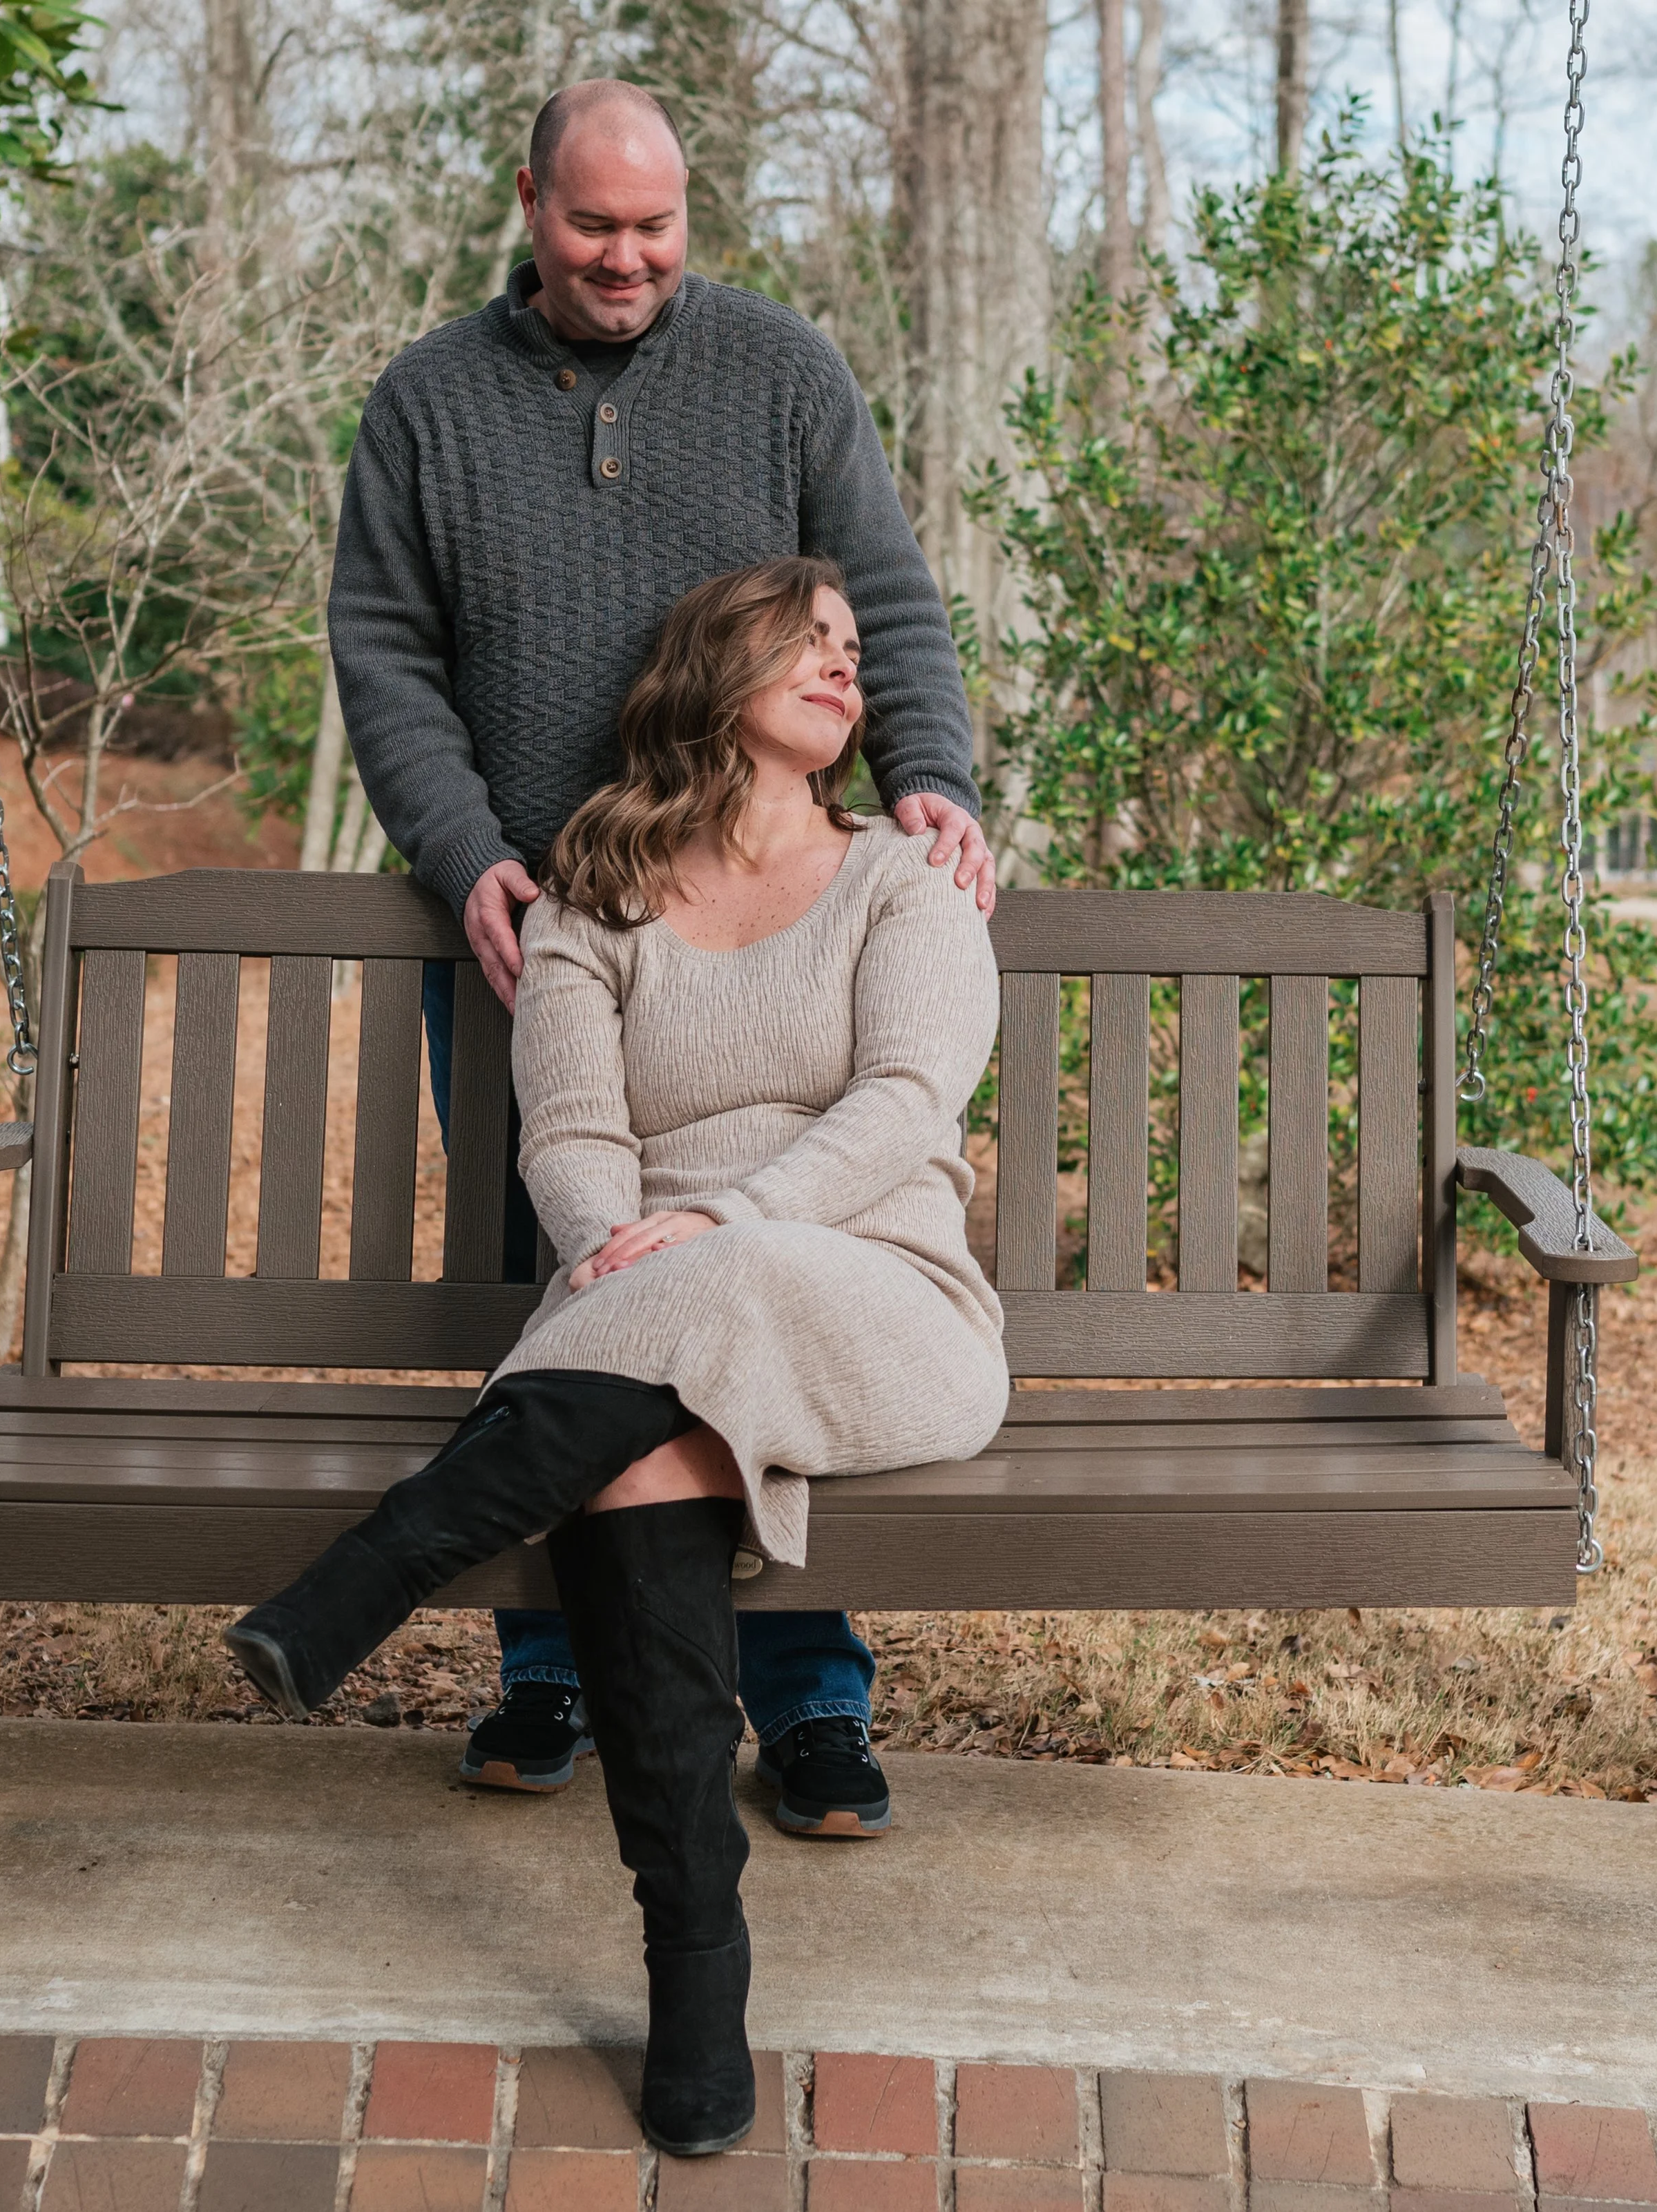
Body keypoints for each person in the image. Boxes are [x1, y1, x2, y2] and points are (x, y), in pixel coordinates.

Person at [225, 557, 1007, 2157]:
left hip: (878, 1296)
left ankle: (384, 1562)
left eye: (857, 652)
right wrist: (614, 1248)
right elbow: (573, 1134)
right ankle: (695, 1961)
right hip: (642, 1306)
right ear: (717, 669)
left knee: (735, 1276)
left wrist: (723, 1211)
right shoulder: (598, 893)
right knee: (638, 1452)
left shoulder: (901, 887)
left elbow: (901, 1113)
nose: (846, 671)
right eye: (810, 643)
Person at [329, 75, 998, 1837]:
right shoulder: (427, 401)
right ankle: (548, 1666)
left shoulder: (780, 373)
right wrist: (467, 851)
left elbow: (890, 590)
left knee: (775, 1273)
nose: (627, 260)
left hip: (762, 916)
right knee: (565, 1274)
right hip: (545, 931)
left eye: (657, 228)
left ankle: (807, 1691)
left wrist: (926, 778)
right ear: (529, 204)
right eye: (592, 226)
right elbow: (385, 649)